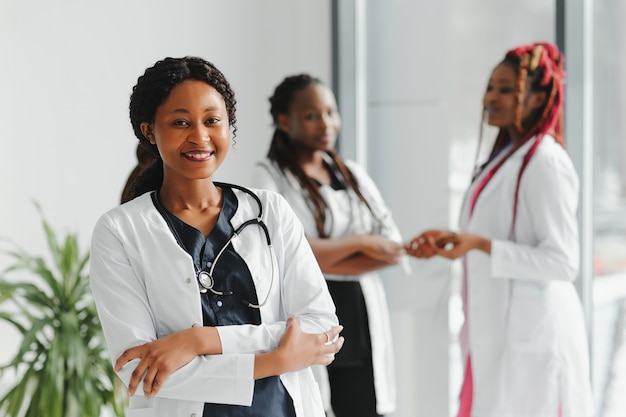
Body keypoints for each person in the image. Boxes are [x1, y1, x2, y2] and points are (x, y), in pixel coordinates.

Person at [89, 56, 345, 417]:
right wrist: (275, 359)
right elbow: (140, 368)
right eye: (180, 122)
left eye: (212, 121)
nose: (200, 137)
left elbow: (322, 328)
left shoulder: (270, 211)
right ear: (150, 131)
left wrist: (199, 341)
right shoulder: (120, 231)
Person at [405, 42, 595, 417]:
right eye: (491, 87)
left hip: (533, 337)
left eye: (506, 89)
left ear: (541, 98)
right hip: (498, 332)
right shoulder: (505, 159)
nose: (491, 97)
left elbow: (562, 262)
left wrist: (479, 244)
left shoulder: (545, 163)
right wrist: (459, 241)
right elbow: (495, 235)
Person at [251, 74, 407, 417]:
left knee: (365, 405)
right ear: (283, 120)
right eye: (312, 115)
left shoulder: (350, 173)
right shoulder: (268, 177)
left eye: (331, 112)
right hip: (310, 309)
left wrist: (322, 253)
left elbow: (395, 247)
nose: (326, 124)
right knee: (315, 404)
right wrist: (365, 242)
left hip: (360, 312)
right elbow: (289, 254)